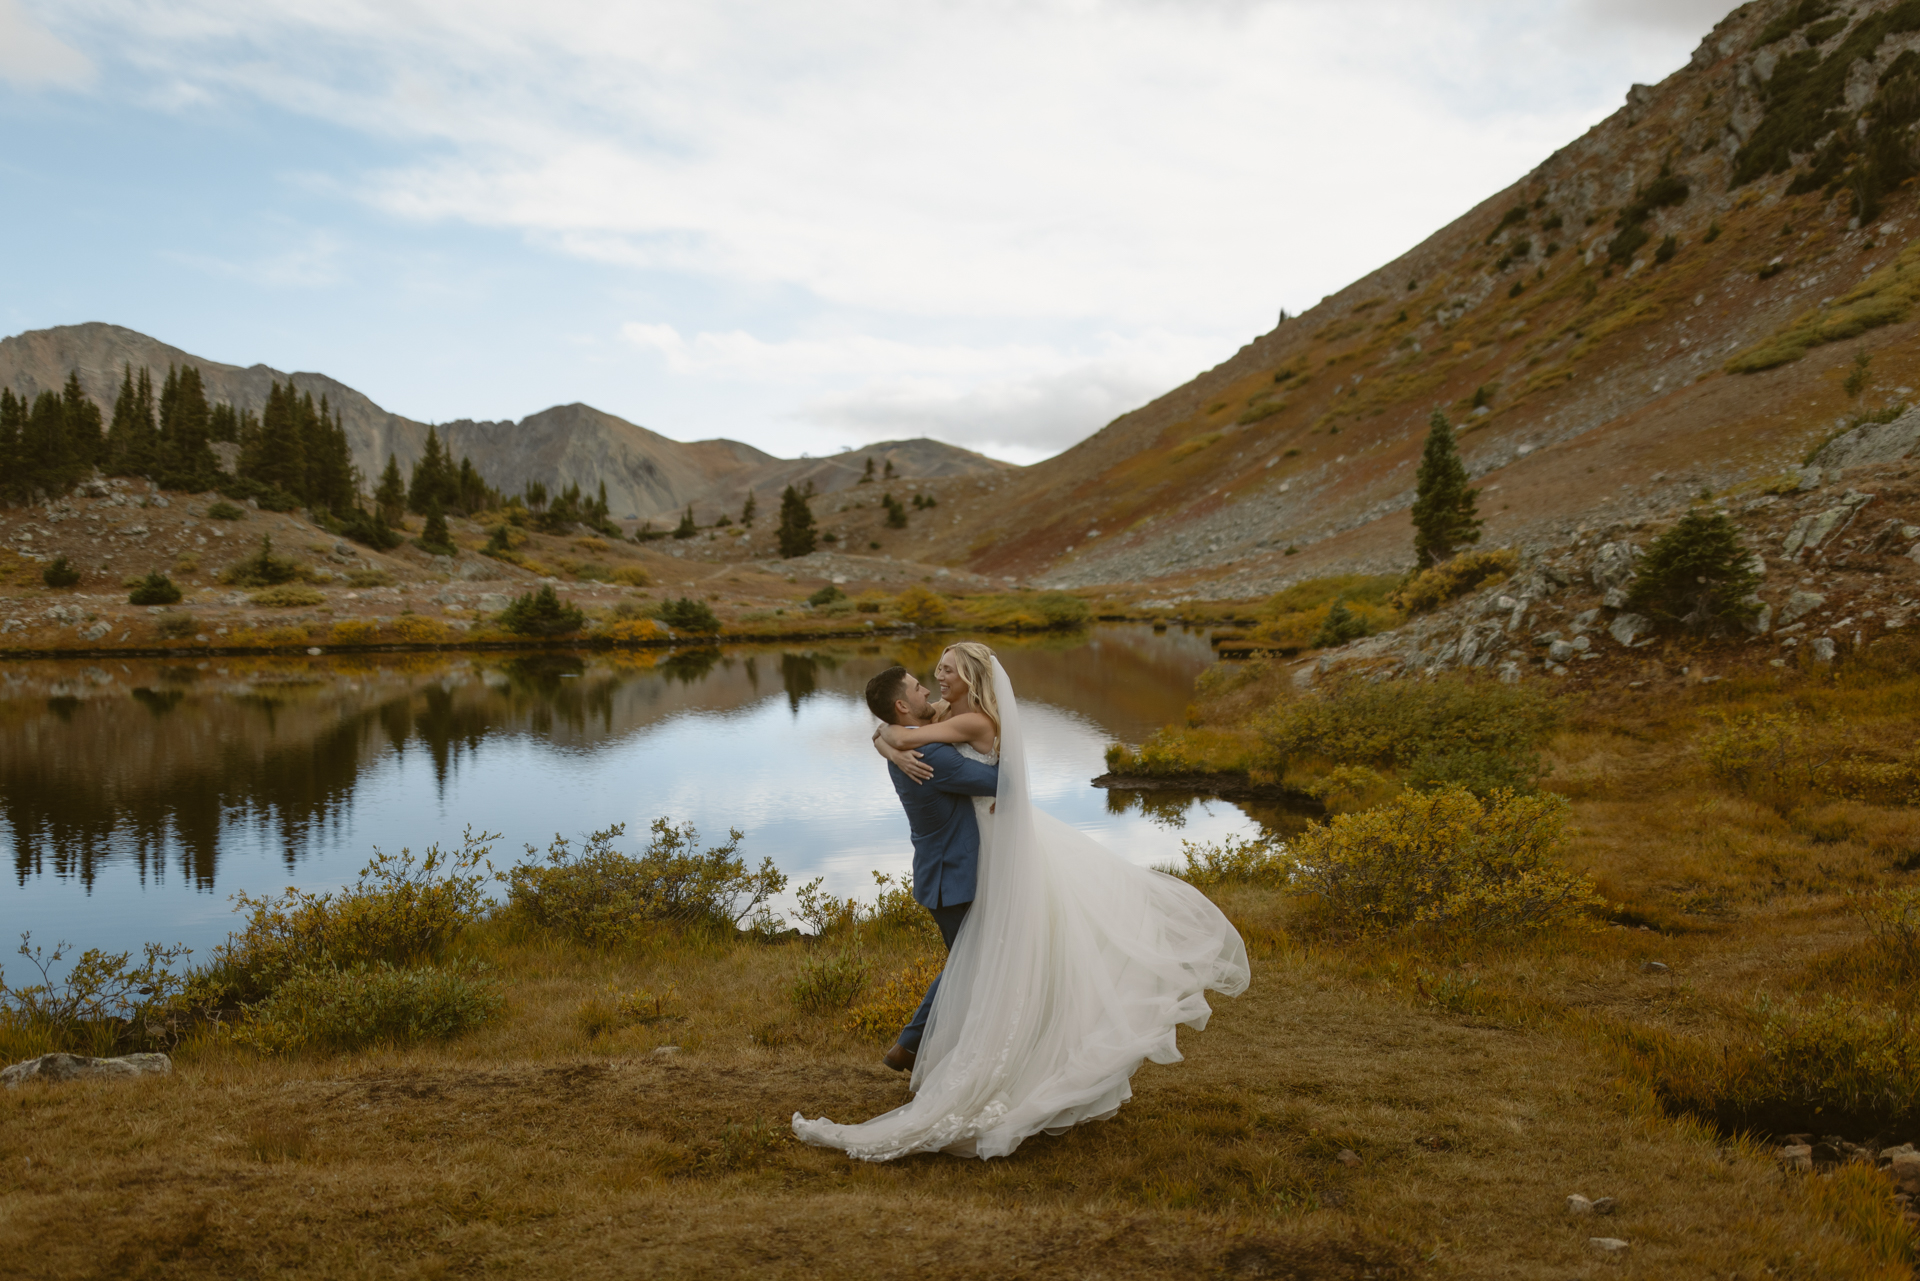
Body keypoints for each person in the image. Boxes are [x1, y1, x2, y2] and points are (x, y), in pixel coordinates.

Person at [792, 642, 1250, 1162]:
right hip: (959, 873)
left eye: (941, 674)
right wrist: (889, 741)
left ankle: (927, 1047)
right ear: (904, 705)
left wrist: (889, 738)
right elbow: (997, 779)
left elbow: (914, 735)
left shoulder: (951, 726)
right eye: (924, 682)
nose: (932, 683)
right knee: (984, 963)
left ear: (967, 677)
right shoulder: (931, 747)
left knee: (986, 961)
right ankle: (944, 1053)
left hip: (984, 860)